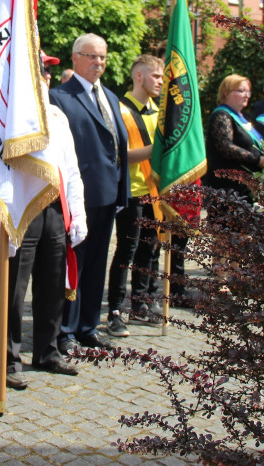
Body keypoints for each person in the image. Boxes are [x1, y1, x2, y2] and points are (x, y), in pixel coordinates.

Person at [0, 52, 88, 388]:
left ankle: (47, 351)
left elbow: (70, 167)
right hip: (20, 208)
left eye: (47, 71)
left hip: (55, 208)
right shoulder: (3, 114)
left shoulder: (57, 115)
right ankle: (6, 359)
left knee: (52, 284)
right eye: (38, 69)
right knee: (11, 289)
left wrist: (78, 210)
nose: (45, 76)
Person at [49, 33, 128, 354]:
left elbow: (116, 146)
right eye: (92, 56)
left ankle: (88, 326)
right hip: (75, 198)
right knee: (73, 265)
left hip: (107, 195)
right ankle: (65, 330)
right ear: (75, 58)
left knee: (96, 264)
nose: (99, 63)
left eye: (103, 58)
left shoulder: (109, 96)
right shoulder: (59, 97)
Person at [107, 55, 164, 337]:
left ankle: (140, 303)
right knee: (126, 250)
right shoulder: (119, 109)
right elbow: (116, 155)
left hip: (155, 192)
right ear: (139, 76)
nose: (161, 82)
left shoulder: (160, 112)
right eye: (156, 76)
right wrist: (157, 150)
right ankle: (114, 309)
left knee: (149, 249)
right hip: (130, 191)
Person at [202, 74, 264, 201]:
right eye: (241, 91)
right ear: (226, 92)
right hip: (227, 188)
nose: (247, 95)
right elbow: (225, 147)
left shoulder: (246, 118)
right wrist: (257, 159)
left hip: (246, 187)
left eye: (248, 91)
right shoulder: (221, 115)